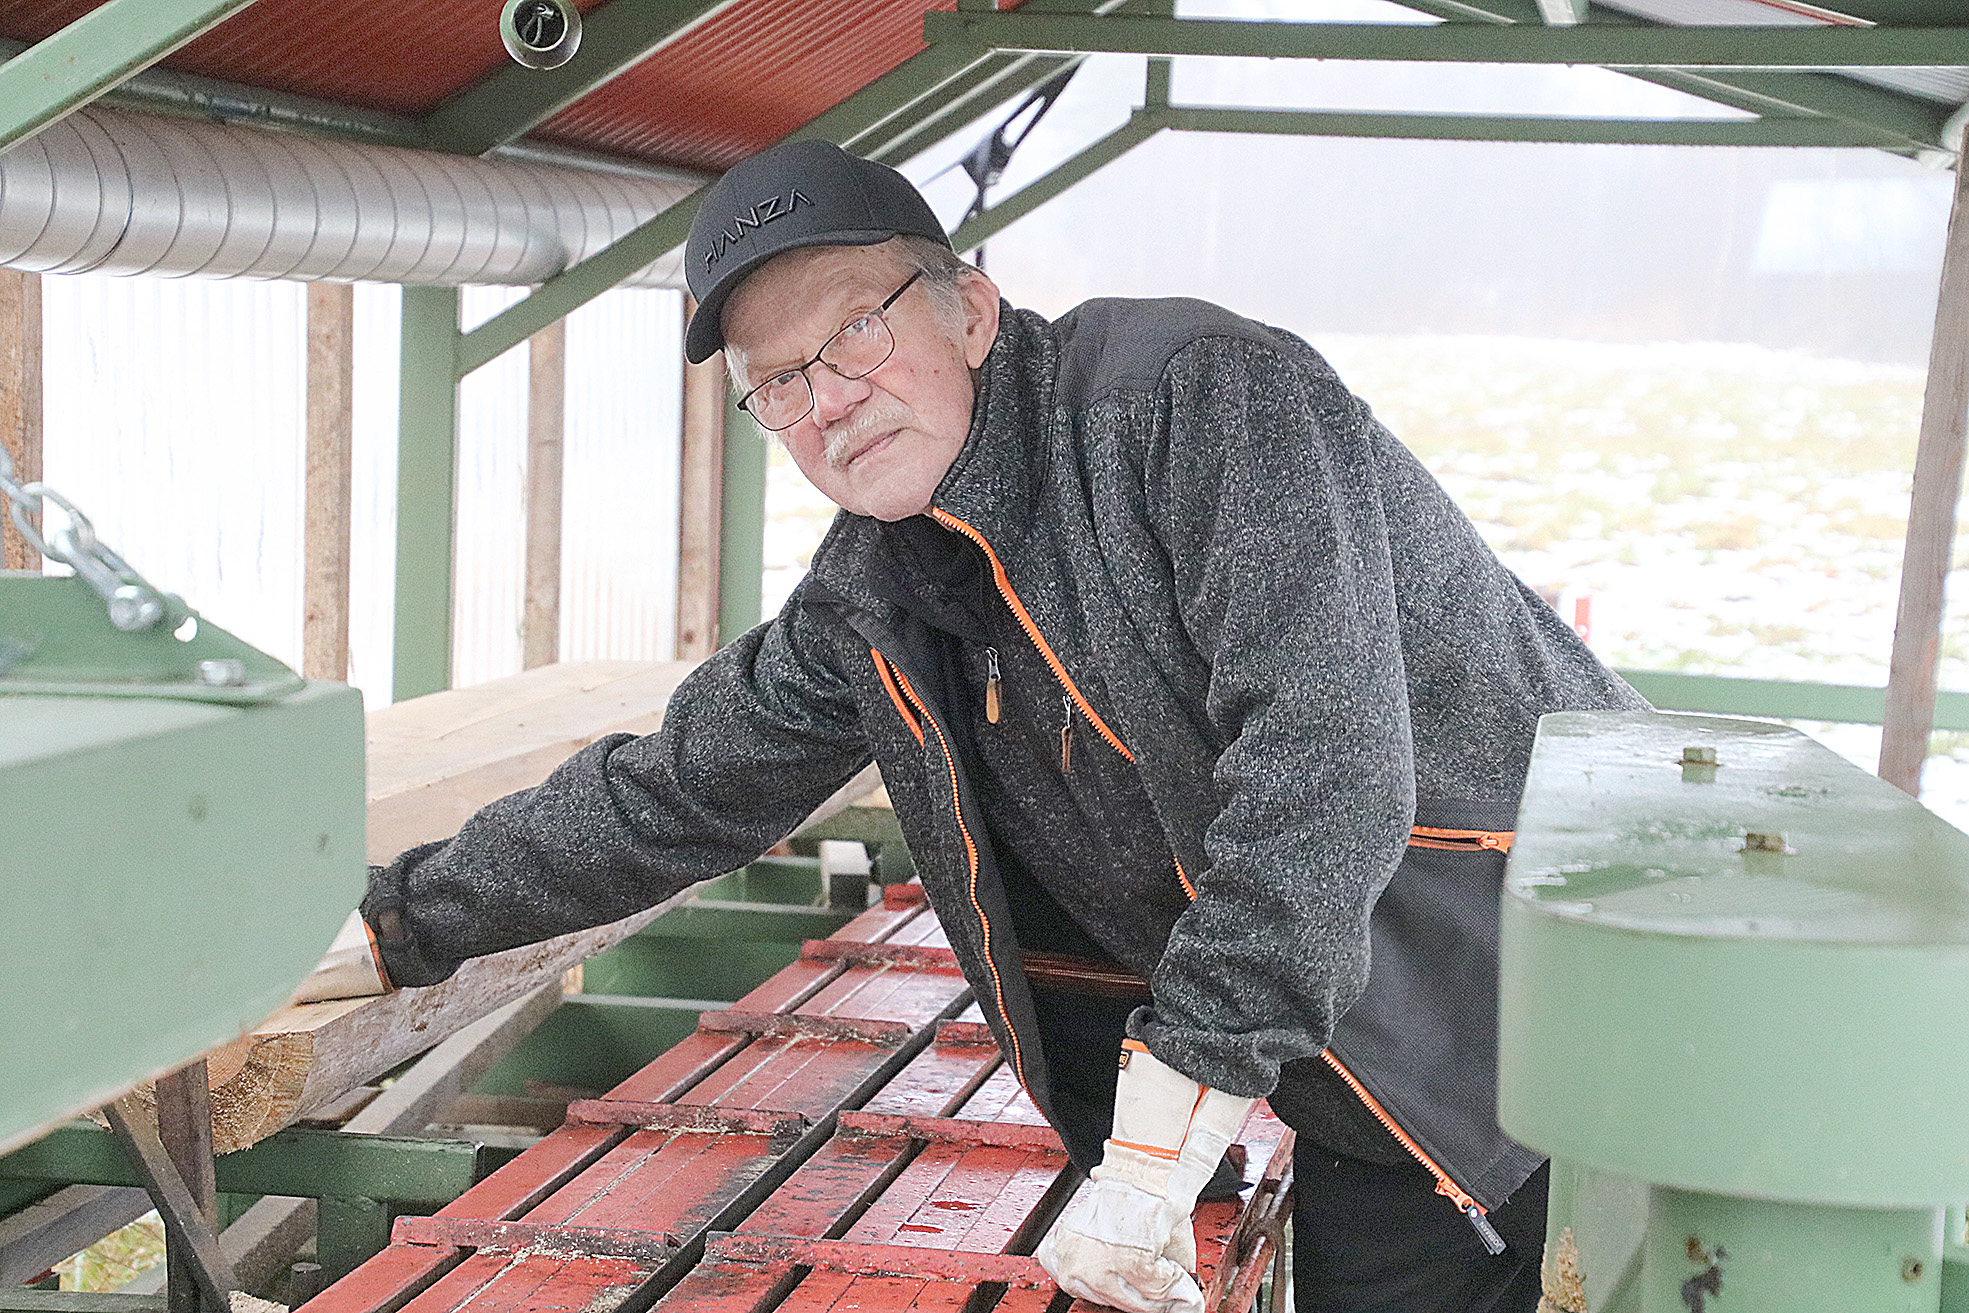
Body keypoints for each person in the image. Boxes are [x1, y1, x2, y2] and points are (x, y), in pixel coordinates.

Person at [340, 139, 1646, 1313]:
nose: (827, 400)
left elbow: (1322, 776)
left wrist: (1164, 1127)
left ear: (969, 307)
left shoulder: (1196, 401)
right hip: (1378, 1091)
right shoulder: (877, 592)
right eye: (776, 383)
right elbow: (666, 794)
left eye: (852, 332)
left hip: (1578, 998)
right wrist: (388, 925)